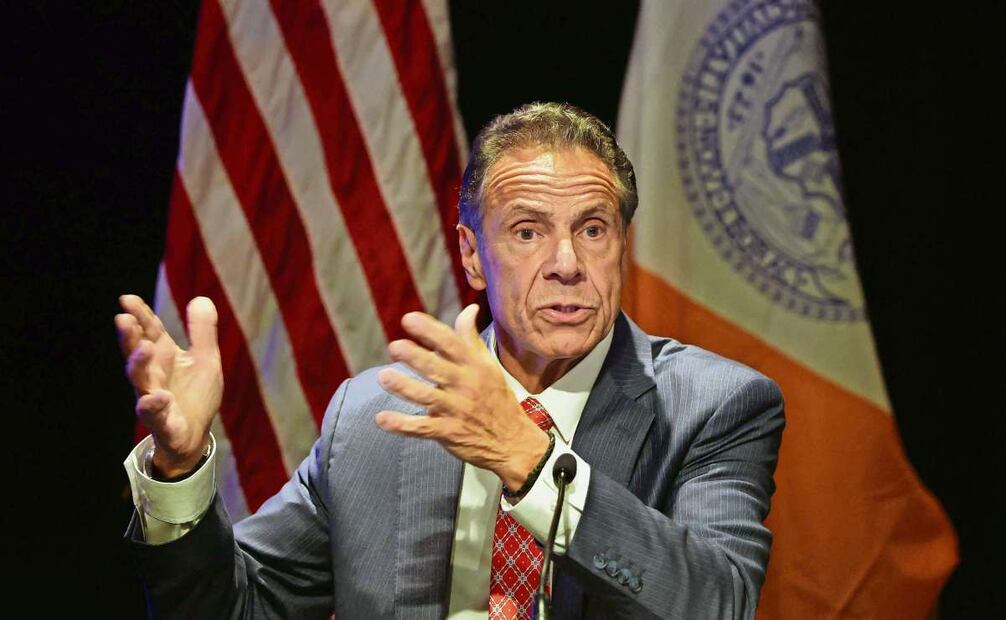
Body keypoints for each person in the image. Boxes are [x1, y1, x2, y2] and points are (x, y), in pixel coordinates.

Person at [117, 102, 784, 619]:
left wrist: (530, 460)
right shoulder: (371, 418)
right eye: (528, 231)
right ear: (470, 255)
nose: (567, 265)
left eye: (592, 229)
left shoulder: (713, 406)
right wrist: (180, 472)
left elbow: (719, 602)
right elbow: (239, 607)